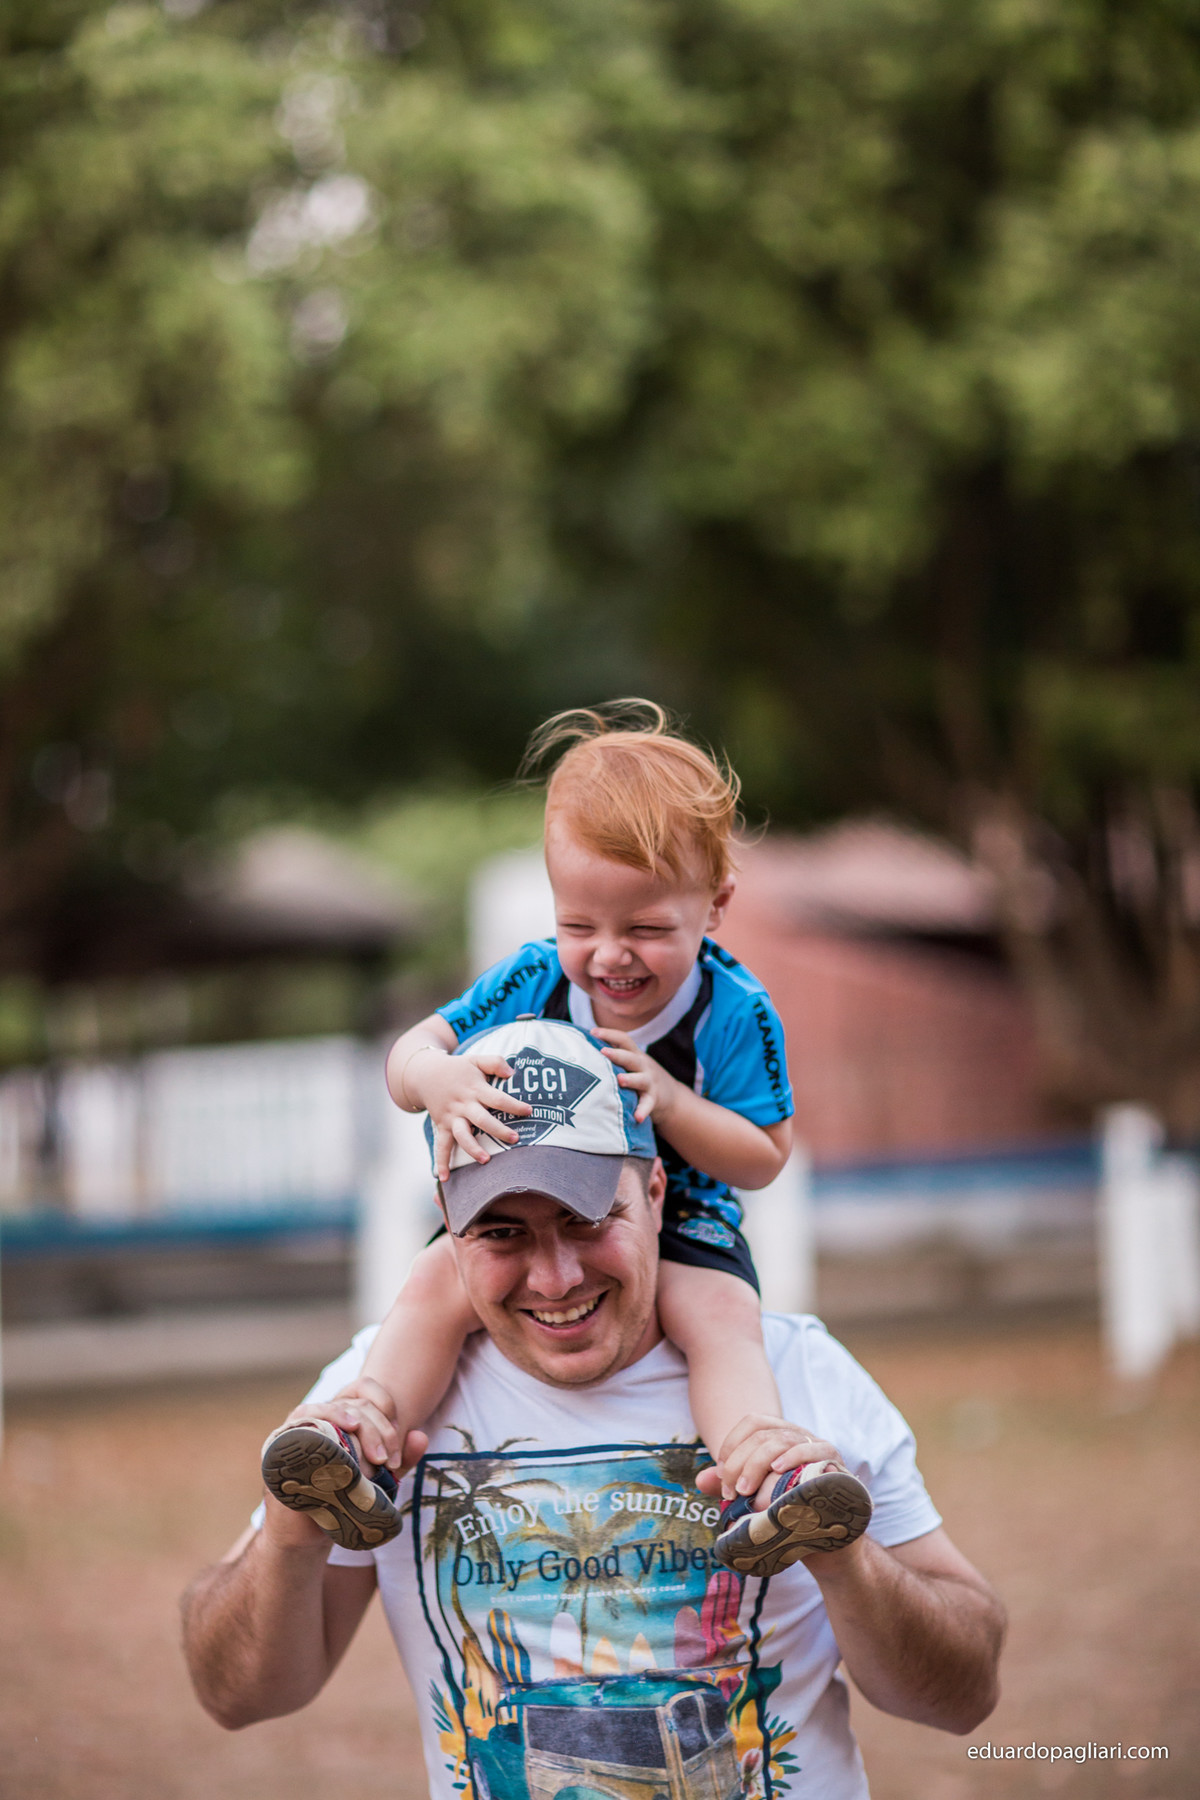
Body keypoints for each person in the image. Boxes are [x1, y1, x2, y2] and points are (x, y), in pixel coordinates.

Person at [182, 1018, 1005, 1800]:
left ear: (653, 1191)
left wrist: (844, 1560)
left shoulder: (798, 1372)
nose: (555, 1277)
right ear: (447, 1226)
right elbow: (236, 1695)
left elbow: (964, 1691)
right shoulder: (373, 1402)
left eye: (585, 1219)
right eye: (502, 1234)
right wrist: (289, 1533)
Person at [267, 701, 854, 1575]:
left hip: (682, 1214)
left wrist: (671, 1102)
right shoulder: (533, 976)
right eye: (581, 924)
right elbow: (409, 1053)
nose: (609, 955)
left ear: (715, 905)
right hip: (534, 1187)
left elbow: (765, 1156)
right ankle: (360, 1440)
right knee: (436, 1283)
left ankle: (760, 1475)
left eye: (647, 928)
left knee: (722, 1316)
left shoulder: (736, 1010)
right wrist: (438, 1078)